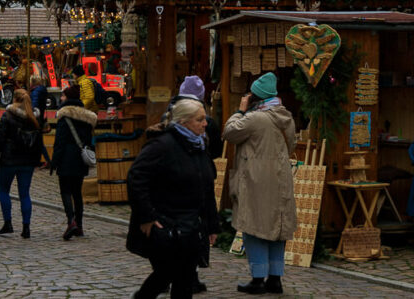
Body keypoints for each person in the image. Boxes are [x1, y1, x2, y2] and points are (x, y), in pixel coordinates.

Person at [127, 98, 220, 299]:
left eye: (205, 119)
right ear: (184, 122)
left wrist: (212, 224)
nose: (205, 124)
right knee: (166, 274)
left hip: (191, 225)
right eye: (200, 119)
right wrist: (147, 216)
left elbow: (207, 187)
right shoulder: (162, 145)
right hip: (166, 223)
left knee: (184, 279)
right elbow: (136, 178)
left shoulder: (200, 145)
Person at [222, 72, 296, 295]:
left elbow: (229, 132)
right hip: (280, 179)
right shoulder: (286, 116)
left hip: (256, 180)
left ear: (255, 97)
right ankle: (275, 279)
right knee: (277, 228)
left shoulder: (255, 118)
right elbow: (290, 146)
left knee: (253, 228)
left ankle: (257, 279)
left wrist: (240, 110)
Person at [0, 88, 45, 238]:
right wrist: (37, 159)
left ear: (14, 99)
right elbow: (39, 141)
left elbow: (0, 139)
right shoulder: (34, 117)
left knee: (4, 190)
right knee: (25, 194)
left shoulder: (8, 115)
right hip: (27, 160)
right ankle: (26, 227)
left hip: (9, 159)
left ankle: (8, 223)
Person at [50, 84, 96, 240]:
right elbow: (90, 141)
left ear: (68, 98)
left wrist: (54, 162)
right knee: (77, 193)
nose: (61, 98)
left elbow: (60, 142)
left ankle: (71, 221)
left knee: (65, 191)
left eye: (63, 96)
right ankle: (80, 226)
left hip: (66, 159)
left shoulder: (64, 116)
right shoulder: (87, 118)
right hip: (80, 159)